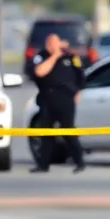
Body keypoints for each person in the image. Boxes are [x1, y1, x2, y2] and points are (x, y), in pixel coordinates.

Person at [29, 33, 86, 174]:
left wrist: (77, 93)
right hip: (47, 98)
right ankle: (43, 165)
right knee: (46, 132)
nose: (53, 46)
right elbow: (39, 72)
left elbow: (80, 76)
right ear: (47, 44)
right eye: (50, 44)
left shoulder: (70, 57)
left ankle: (79, 162)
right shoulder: (41, 56)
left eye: (55, 43)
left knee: (68, 130)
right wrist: (54, 56)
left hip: (65, 99)